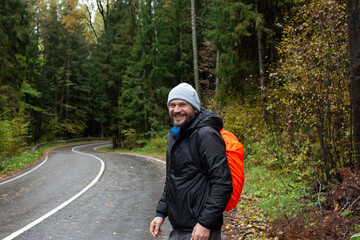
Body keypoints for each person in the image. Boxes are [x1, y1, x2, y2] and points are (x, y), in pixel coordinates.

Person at [149, 83, 233, 240]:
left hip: (199, 229)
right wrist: (161, 212)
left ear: (195, 108)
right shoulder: (176, 136)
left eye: (183, 104)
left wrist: (205, 223)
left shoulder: (206, 135)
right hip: (180, 227)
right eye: (172, 105)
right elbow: (172, 179)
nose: (176, 110)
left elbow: (222, 183)